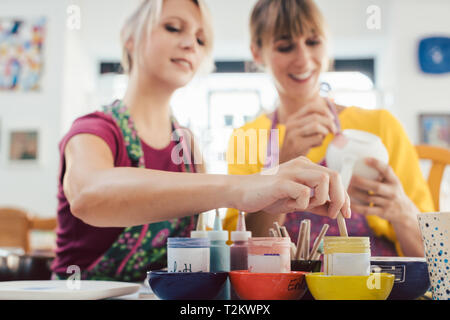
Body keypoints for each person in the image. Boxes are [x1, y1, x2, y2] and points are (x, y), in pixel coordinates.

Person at [51, 0, 350, 282]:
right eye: (173, 27)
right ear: (130, 38)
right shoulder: (95, 130)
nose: (189, 44)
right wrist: (245, 186)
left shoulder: (188, 146)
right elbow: (87, 194)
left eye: (201, 39)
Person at [223, 0, 434, 258]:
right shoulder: (247, 139)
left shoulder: (379, 126)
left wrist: (401, 212)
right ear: (257, 52)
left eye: (313, 42)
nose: (303, 60)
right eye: (285, 46)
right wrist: (281, 167)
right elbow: (241, 255)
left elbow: (434, 257)